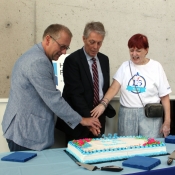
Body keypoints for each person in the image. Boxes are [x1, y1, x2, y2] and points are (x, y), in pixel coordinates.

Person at [1, 24, 101, 152]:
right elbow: (54, 100)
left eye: (66, 47)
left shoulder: (38, 55)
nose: (64, 52)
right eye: (62, 46)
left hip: (26, 130)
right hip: (25, 134)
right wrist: (82, 120)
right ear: (48, 39)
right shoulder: (38, 62)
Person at [91, 33, 171, 138]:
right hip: (127, 115)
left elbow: (164, 97)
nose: (134, 54)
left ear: (146, 50)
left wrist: (167, 122)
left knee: (150, 148)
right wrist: (103, 104)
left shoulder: (156, 67)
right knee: (127, 148)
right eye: (131, 50)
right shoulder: (124, 66)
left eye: (138, 50)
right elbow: (114, 87)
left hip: (150, 116)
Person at [55, 21, 116, 142]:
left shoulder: (104, 60)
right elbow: (75, 94)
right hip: (79, 121)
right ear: (84, 39)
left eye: (99, 43)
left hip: (99, 119)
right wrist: (89, 121)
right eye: (92, 42)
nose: (95, 47)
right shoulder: (72, 60)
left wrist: (97, 119)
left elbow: (103, 89)